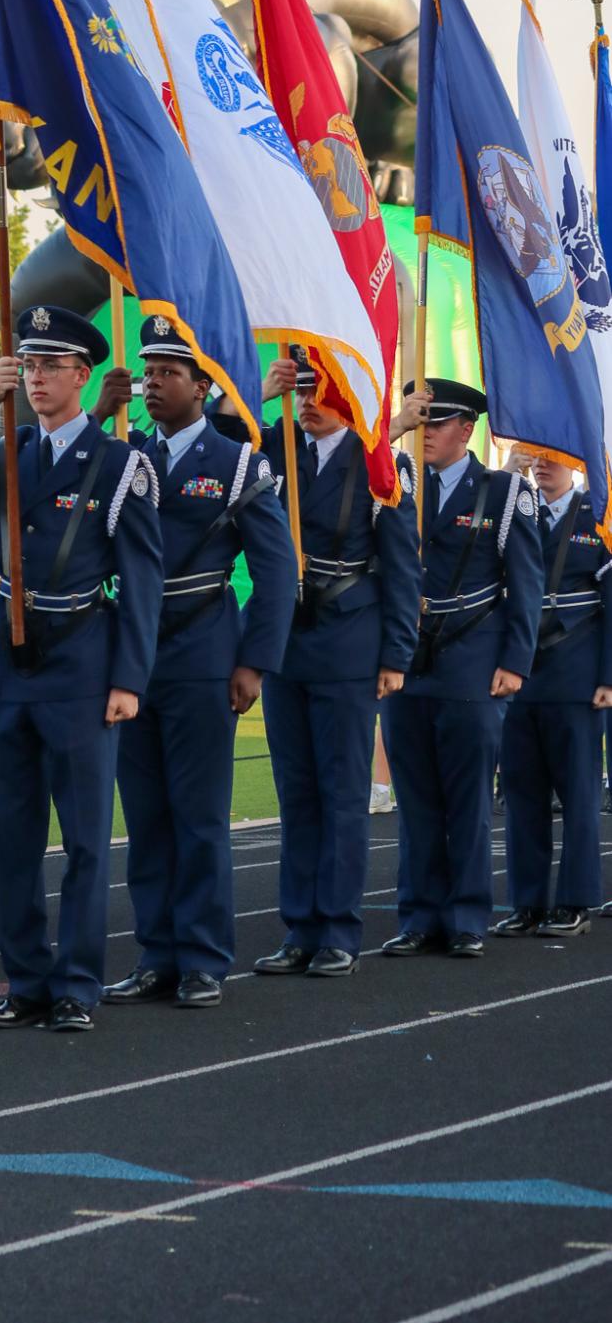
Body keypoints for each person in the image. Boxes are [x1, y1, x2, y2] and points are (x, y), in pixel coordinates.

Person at [0, 304, 161, 1033]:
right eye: (27, 365)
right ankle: (26, 977)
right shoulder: (12, 449)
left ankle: (77, 983)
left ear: (83, 376)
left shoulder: (121, 465)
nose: (35, 377)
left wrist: (129, 678)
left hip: (82, 663)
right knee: (13, 836)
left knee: (86, 837)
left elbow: (142, 580)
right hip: (11, 667)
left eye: (49, 365)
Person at [92, 321, 297, 1009]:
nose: (152, 382)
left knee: (200, 816)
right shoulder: (124, 457)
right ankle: (158, 953)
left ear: (204, 384)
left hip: (204, 650)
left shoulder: (238, 464)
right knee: (146, 817)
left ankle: (204, 956)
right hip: (131, 657)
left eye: (168, 372)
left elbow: (276, 574)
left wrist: (254, 663)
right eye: (147, 370)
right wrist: (96, 417)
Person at [248, 356, 420, 978]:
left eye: (322, 390)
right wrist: (260, 392)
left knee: (342, 793)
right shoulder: (277, 450)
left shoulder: (380, 463)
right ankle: (300, 926)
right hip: (286, 642)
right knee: (297, 793)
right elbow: (217, 441)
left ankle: (339, 930)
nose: (308, 401)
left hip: (349, 640)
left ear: (349, 396)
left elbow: (403, 569)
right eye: (303, 390)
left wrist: (397, 655)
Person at [380, 380, 543, 957]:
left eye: (437, 421)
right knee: (416, 796)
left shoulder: (501, 493)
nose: (424, 433)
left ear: (465, 429)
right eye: (419, 420)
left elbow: (526, 583)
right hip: (405, 658)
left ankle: (468, 916)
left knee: (467, 797)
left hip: (473, 656)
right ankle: (419, 915)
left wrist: (515, 662)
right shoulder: (396, 481)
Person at [493, 450, 612, 938]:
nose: (543, 466)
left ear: (576, 462)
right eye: (536, 458)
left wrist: (608, 675)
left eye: (553, 457)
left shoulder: (598, 516)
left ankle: (576, 902)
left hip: (576, 675)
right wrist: (507, 471)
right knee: (523, 795)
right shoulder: (512, 508)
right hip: (519, 675)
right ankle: (527, 902)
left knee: (579, 795)